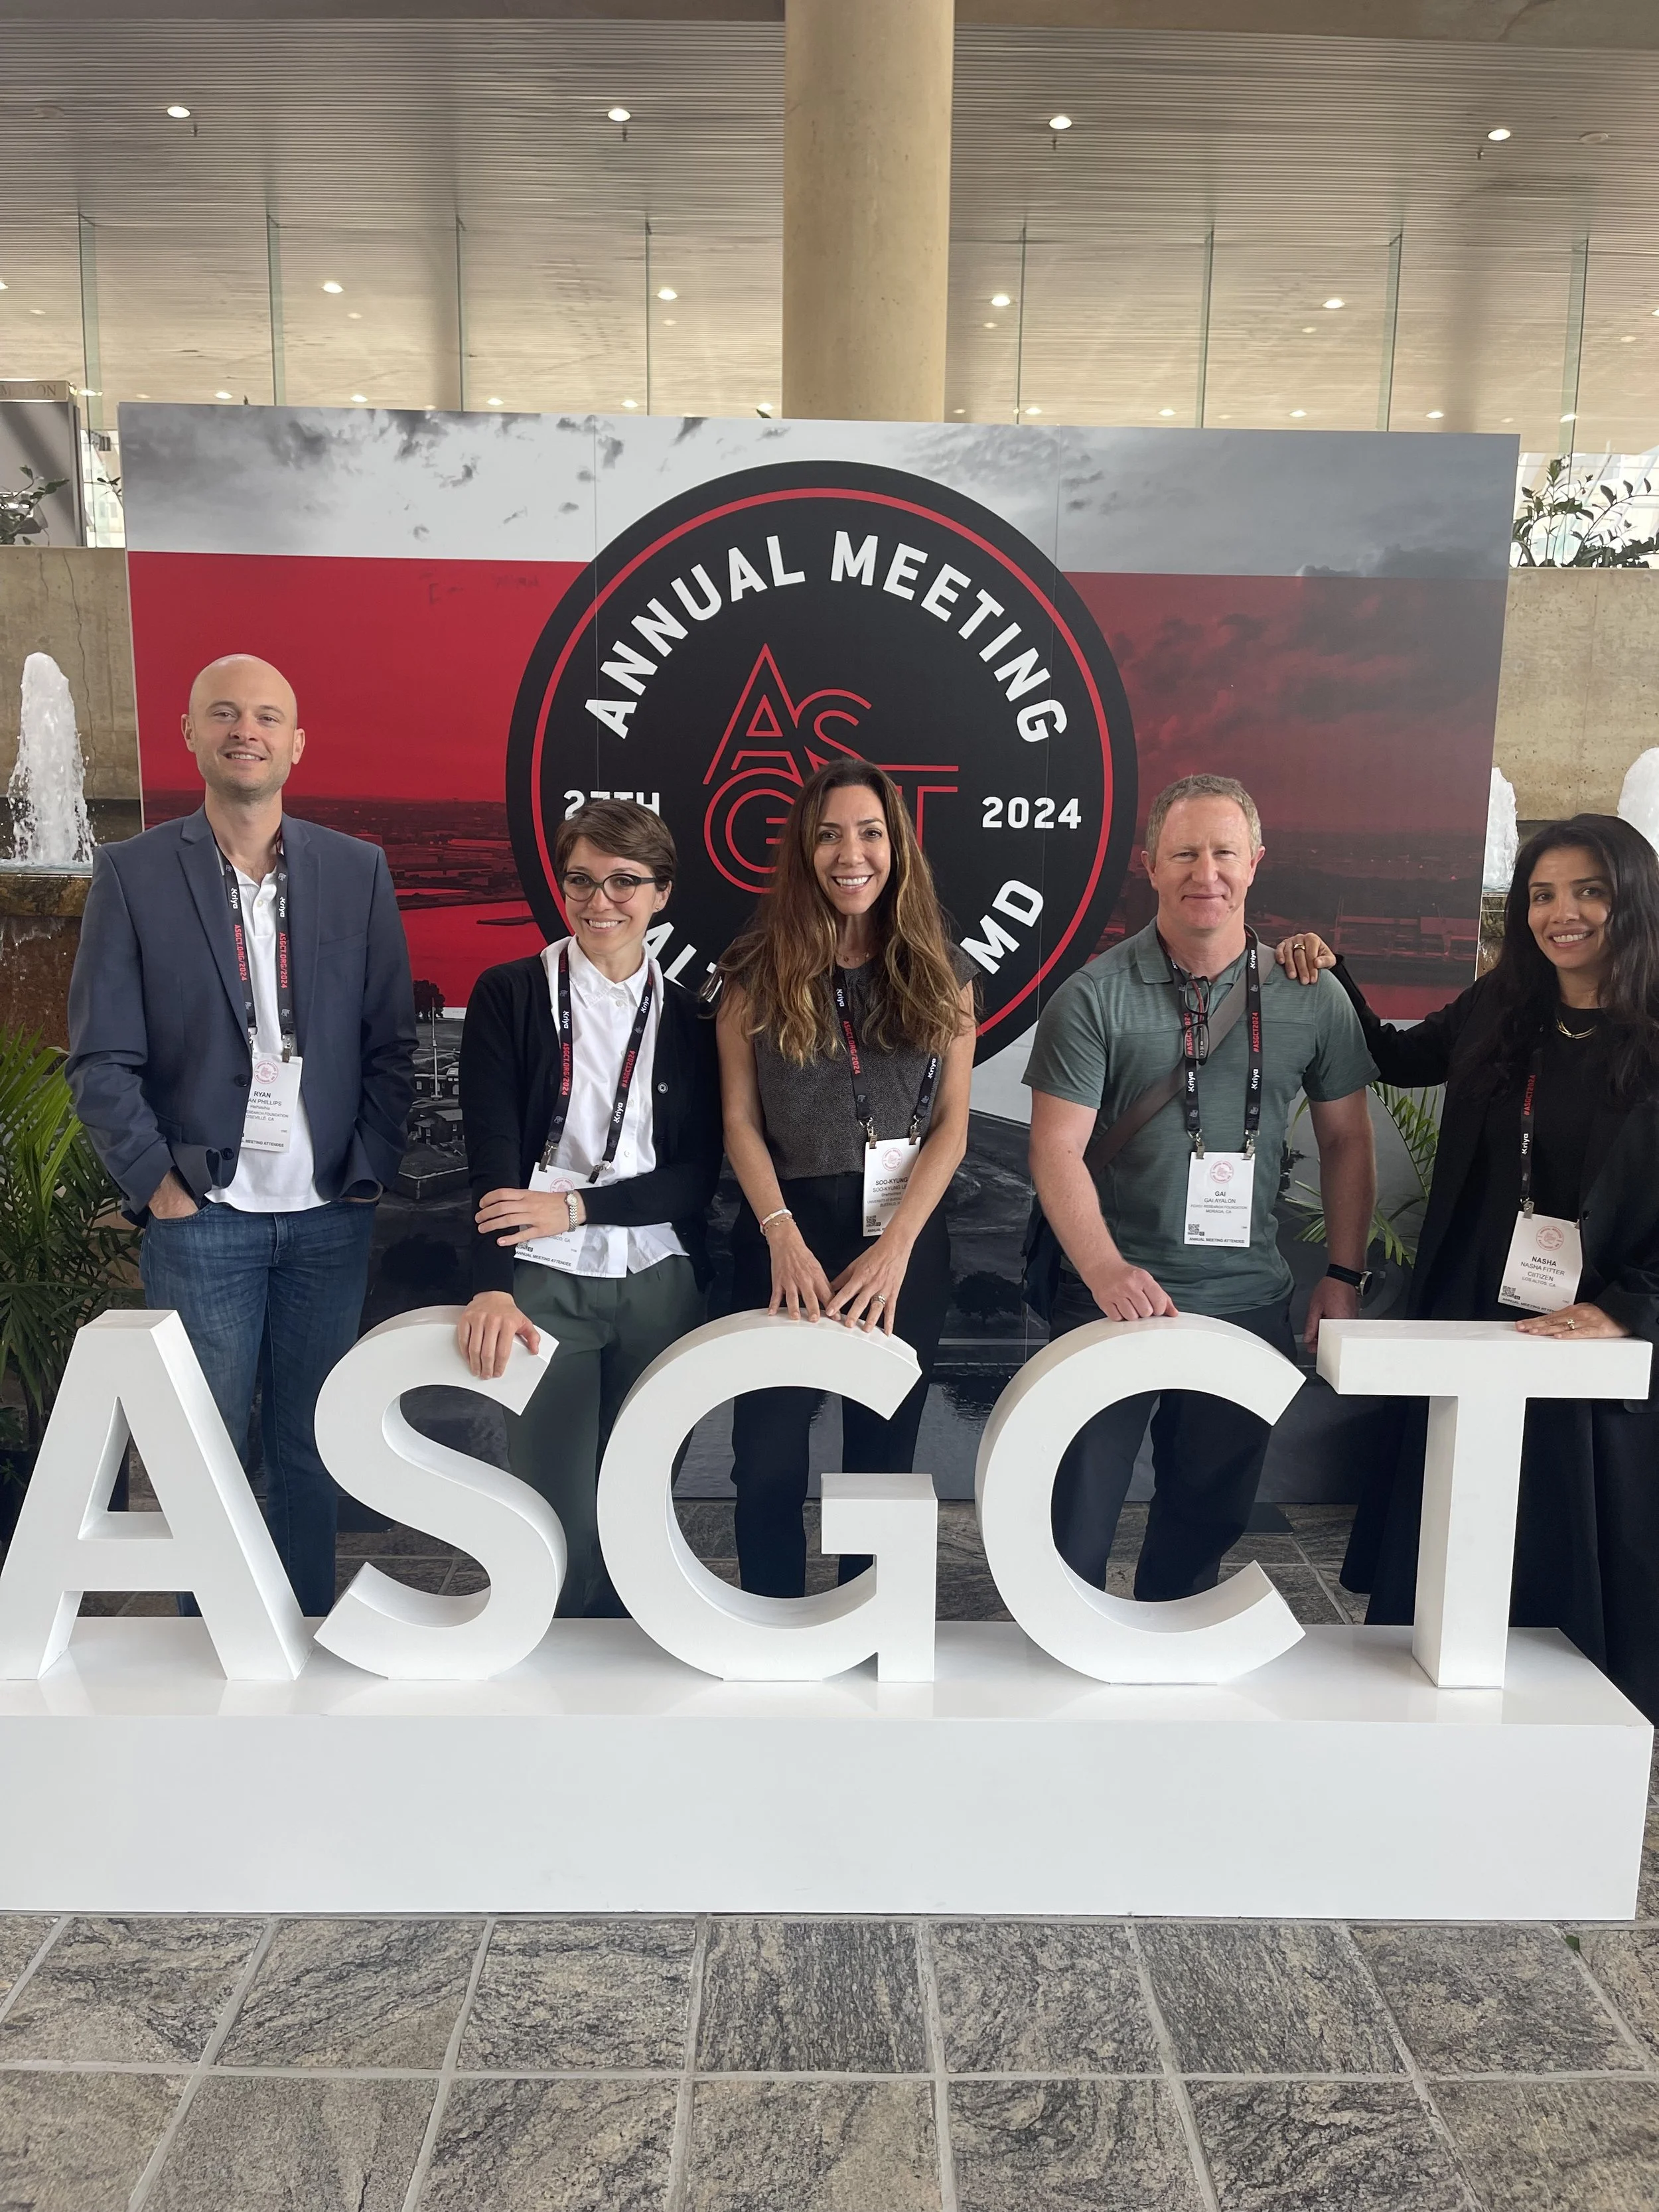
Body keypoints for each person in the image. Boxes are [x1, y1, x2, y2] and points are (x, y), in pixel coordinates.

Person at [1276, 814, 1659, 1721]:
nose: (1561, 913)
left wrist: (1630, 1307)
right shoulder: (1504, 1007)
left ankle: (1577, 1706)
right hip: (1473, 1308)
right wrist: (1332, 974)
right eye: (1542, 894)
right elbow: (1397, 1057)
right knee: (1460, 1505)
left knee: (1570, 1514)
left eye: (1588, 891)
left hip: (1594, 1330)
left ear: (1632, 900)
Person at [66, 653, 415, 1617]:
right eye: (225, 713)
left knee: (312, 1449)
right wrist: (160, 1188)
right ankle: (205, 1655)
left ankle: (298, 1635)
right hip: (201, 1216)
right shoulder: (133, 876)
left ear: (297, 744)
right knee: (202, 1450)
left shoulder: (356, 871)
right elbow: (98, 1060)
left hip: (328, 1218)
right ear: (190, 733)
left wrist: (369, 1169)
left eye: (267, 716)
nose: (246, 730)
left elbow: (393, 1042)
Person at [1025, 773, 1377, 1600]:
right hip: (1110, 1299)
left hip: (1246, 1300)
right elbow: (1054, 1151)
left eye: (1223, 852)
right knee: (1073, 1511)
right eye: (1184, 852)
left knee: (1207, 1515)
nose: (1204, 872)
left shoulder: (1309, 994)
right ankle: (1057, 1673)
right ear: (1149, 865)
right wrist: (1106, 1271)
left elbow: (1347, 1139)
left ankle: (1165, 1665)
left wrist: (1345, 1273)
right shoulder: (1093, 996)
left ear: (1255, 863)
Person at [715, 761, 977, 1598]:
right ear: (803, 849)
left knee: (882, 1454)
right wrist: (780, 1235)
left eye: (868, 833)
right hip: (783, 1229)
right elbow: (739, 1122)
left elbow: (952, 1127)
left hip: (898, 1234)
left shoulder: (946, 970)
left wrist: (898, 1247)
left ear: (896, 847)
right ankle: (771, 1631)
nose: (849, 854)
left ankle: (869, 1636)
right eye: (828, 834)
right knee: (764, 1455)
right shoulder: (753, 969)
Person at [455, 799, 720, 1617]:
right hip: (540, 1281)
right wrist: (493, 1282)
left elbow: (694, 1179)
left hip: (659, 1278)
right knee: (557, 1508)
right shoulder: (508, 995)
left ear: (661, 892)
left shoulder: (692, 1016)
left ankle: (632, 1679)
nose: (600, 901)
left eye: (624, 882)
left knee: (640, 1503)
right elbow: (492, 1155)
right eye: (581, 881)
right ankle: (564, 1691)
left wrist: (572, 1208)